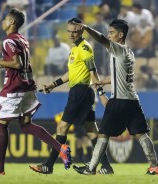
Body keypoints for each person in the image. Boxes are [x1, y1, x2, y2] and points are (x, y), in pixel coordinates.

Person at [0, 8, 72, 176]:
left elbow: (17, 63)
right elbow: (20, 64)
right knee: (26, 125)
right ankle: (61, 148)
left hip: (14, 89)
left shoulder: (8, 41)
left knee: (1, 124)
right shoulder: (22, 39)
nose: (2, 21)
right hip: (28, 87)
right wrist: (1, 64)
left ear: (12, 23)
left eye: (5, 19)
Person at [72, 19, 158, 175]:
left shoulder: (118, 49)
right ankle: (154, 165)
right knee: (141, 134)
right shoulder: (129, 52)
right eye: (109, 32)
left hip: (119, 100)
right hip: (132, 100)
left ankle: (91, 168)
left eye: (112, 33)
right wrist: (102, 82)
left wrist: (87, 28)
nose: (109, 35)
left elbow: (101, 39)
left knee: (103, 134)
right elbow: (119, 77)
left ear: (120, 35)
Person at [29, 17, 113, 175]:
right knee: (91, 131)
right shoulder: (74, 49)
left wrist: (101, 94)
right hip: (81, 92)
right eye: (69, 31)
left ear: (81, 31)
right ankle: (106, 166)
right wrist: (53, 84)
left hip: (80, 92)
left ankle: (48, 165)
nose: (71, 34)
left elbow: (92, 71)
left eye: (75, 31)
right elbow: (71, 73)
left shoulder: (85, 48)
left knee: (62, 127)